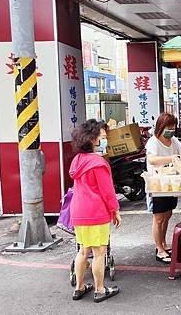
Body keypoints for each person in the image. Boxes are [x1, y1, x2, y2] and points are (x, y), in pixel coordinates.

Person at [69, 119, 121, 303]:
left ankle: (79, 287)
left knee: (84, 251)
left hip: (78, 211)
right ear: (93, 139)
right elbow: (107, 191)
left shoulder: (77, 161)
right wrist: (115, 210)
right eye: (103, 136)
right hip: (95, 212)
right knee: (99, 252)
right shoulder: (97, 162)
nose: (106, 139)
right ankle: (100, 290)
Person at [146, 113, 181, 263]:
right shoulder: (153, 142)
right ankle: (159, 249)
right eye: (169, 127)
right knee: (158, 218)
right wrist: (171, 158)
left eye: (173, 127)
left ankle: (164, 244)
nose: (172, 130)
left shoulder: (173, 140)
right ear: (161, 127)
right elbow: (152, 159)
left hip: (170, 183)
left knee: (167, 215)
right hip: (157, 185)